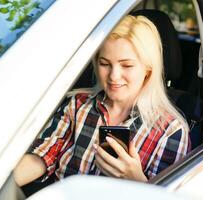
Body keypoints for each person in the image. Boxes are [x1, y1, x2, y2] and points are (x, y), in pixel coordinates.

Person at [14, 15, 191, 187]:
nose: (113, 76)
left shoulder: (170, 131)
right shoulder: (78, 105)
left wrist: (135, 178)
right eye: (105, 63)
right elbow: (43, 156)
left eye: (127, 65)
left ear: (148, 69)